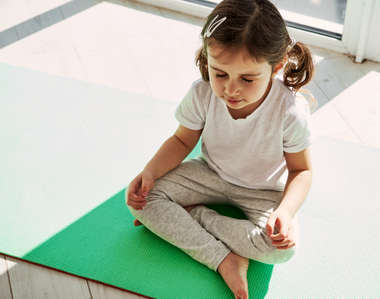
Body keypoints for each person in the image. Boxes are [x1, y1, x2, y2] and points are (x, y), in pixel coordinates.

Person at [125, 0, 314, 298]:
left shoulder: (290, 111)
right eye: (220, 74)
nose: (230, 89)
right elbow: (181, 141)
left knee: (279, 251)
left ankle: (197, 216)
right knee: (141, 201)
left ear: (276, 68)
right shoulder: (201, 93)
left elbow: (301, 170)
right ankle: (225, 260)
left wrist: (285, 213)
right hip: (209, 172)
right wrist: (149, 172)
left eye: (247, 79)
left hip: (264, 192)